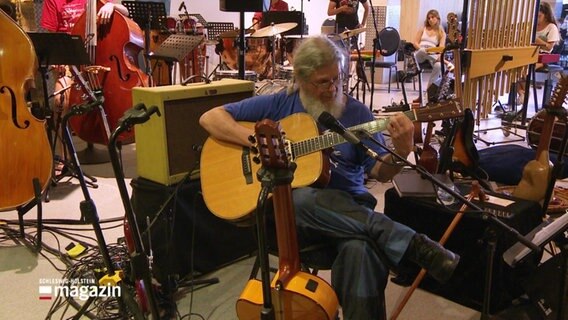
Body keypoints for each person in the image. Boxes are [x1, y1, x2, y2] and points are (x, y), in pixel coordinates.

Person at [199, 36, 459, 319]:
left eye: (338, 78)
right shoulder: (278, 104)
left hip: (351, 214)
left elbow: (380, 172)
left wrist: (401, 150)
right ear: (300, 78)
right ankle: (409, 242)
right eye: (322, 82)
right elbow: (210, 118)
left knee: (361, 251)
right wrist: (256, 143)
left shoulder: (357, 113)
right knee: (299, 197)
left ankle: (390, 242)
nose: (332, 88)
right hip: (297, 223)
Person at [517, 2, 560, 103]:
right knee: (516, 67)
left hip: (543, 56)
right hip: (528, 54)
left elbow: (549, 48)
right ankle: (522, 92)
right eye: (535, 16)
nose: (537, 19)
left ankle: (524, 92)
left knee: (525, 69)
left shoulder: (551, 27)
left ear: (546, 15)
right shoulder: (532, 26)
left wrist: (537, 40)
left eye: (539, 16)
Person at [411, 9, 451, 103]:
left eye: (432, 17)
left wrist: (433, 52)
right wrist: (422, 49)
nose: (430, 19)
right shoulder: (423, 29)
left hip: (432, 54)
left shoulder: (441, 32)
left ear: (437, 18)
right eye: (428, 18)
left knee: (438, 66)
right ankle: (444, 62)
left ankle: (427, 94)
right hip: (420, 53)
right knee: (422, 51)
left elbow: (441, 48)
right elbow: (415, 43)